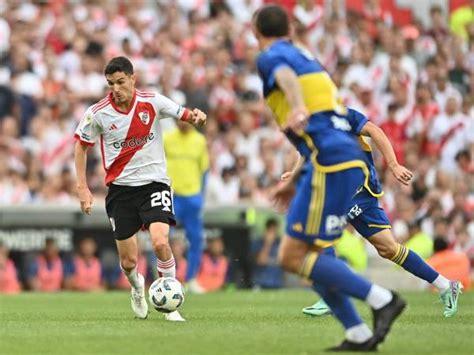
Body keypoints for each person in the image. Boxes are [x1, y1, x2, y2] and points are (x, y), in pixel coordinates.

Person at [253, 5, 405, 351]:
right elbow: (327, 122)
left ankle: (382, 299)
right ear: (290, 29)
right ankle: (358, 333)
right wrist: (295, 179)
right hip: (335, 159)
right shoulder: (307, 57)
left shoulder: (270, 56)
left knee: (292, 257)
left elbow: (287, 81)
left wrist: (295, 106)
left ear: (256, 31)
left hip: (331, 162)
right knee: (312, 252)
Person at [292, 108, 462, 318]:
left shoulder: (341, 114)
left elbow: (375, 131)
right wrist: (294, 173)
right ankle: (446, 285)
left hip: (358, 185)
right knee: (388, 249)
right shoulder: (308, 121)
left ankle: (332, 294)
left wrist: (393, 164)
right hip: (344, 186)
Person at [74, 56, 206, 321]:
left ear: (133, 79)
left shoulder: (152, 101)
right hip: (121, 191)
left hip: (154, 184)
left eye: (121, 82)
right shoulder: (97, 113)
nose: (116, 88)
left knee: (160, 241)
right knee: (129, 262)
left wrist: (197, 118)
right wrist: (83, 188)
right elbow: (81, 146)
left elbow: (185, 114)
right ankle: (136, 287)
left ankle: (172, 307)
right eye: (111, 83)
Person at [164, 119, 209, 293]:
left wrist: (201, 196)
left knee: (196, 239)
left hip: (192, 197)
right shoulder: (167, 138)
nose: (184, 123)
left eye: (187, 120)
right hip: (171, 195)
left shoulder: (199, 140)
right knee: (163, 238)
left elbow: (204, 170)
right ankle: (166, 280)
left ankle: (191, 280)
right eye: (181, 119)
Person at [252, 217, 284, 289]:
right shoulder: (258, 243)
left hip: (277, 283)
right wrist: (268, 244)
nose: (273, 233)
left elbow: (283, 262)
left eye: (275, 230)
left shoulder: (280, 243)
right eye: (271, 231)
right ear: (266, 230)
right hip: (261, 282)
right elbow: (261, 261)